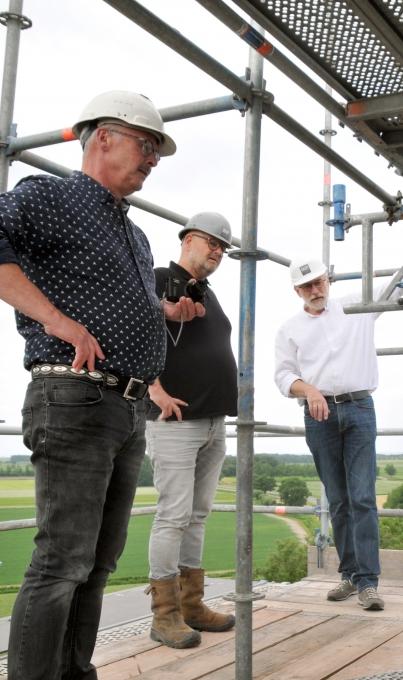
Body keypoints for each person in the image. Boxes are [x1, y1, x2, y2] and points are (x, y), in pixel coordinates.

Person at [0, 91, 202, 680]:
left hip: (124, 409)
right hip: (76, 399)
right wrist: (55, 320)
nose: (153, 160)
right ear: (103, 137)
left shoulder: (134, 235)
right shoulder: (52, 194)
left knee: (96, 565)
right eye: (147, 145)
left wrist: (159, 318)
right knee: (62, 563)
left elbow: (109, 300)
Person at [273, 233, 403, 611]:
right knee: (338, 500)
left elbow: (400, 280)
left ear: (329, 281)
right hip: (319, 414)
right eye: (307, 285)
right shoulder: (288, 330)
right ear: (297, 290)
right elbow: (282, 376)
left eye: (320, 281)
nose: (315, 289)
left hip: (359, 410)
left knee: (362, 498)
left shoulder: (354, 305)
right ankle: (349, 575)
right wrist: (308, 389)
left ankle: (368, 583)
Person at [145, 212, 238, 648]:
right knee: (174, 516)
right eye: (211, 241)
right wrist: (153, 388)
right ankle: (164, 616)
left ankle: (191, 606)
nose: (218, 250)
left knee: (197, 516)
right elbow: (132, 330)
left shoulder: (209, 294)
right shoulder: (160, 279)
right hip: (176, 422)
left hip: (212, 422)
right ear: (187, 240)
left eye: (223, 246)